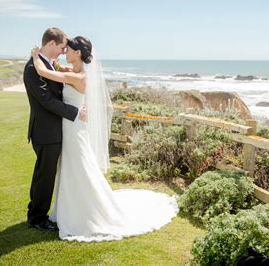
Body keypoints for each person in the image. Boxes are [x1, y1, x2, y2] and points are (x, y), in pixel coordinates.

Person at [30, 36, 178, 242]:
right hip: (71, 125)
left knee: (79, 167)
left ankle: (87, 213)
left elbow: (43, 72)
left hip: (73, 128)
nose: (65, 52)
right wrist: (52, 61)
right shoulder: (73, 72)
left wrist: (35, 56)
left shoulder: (79, 77)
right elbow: (56, 68)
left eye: (69, 49)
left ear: (78, 53)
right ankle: (69, 209)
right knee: (70, 168)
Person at [23, 27, 86, 232]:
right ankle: (37, 217)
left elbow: (60, 89)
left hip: (56, 129)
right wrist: (75, 112)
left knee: (45, 173)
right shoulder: (33, 68)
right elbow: (46, 100)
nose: (62, 51)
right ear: (51, 44)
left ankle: (36, 212)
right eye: (61, 47)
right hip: (45, 131)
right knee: (45, 175)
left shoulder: (48, 64)